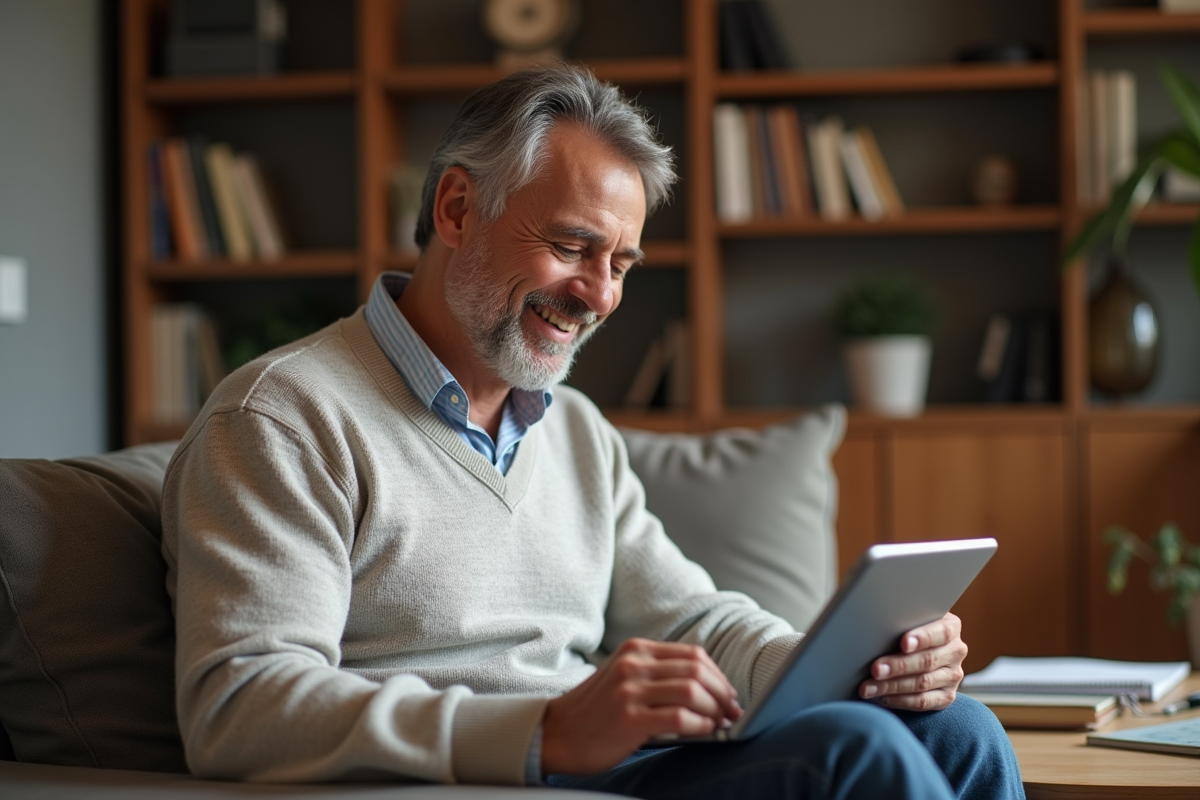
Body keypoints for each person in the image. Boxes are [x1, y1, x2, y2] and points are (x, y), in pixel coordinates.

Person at [161, 64, 1024, 799]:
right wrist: (543, 729)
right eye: (573, 247)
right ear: (458, 208)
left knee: (959, 730)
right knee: (859, 757)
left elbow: (692, 616)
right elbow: (239, 704)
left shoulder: (571, 428)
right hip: (473, 780)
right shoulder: (281, 417)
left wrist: (848, 664)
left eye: (619, 264)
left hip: (601, 768)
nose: (601, 296)